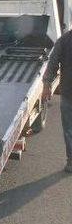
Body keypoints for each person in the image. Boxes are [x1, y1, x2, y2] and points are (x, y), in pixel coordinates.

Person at [43, 29, 72, 172]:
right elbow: (53, 63)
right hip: (68, 93)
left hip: (68, 92)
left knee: (69, 130)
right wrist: (46, 85)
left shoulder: (64, 40)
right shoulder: (64, 40)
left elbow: (53, 63)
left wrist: (47, 85)